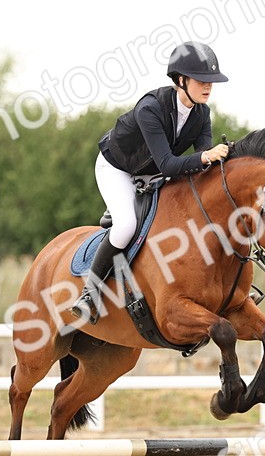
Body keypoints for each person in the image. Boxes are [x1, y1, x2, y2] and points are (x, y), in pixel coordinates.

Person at [70, 41, 231, 324]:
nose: (209, 87)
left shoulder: (202, 114)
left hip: (155, 172)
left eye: (211, 82)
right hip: (117, 168)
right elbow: (171, 162)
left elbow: (200, 166)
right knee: (126, 227)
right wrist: (205, 156)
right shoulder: (151, 108)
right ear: (181, 80)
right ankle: (89, 293)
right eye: (202, 80)